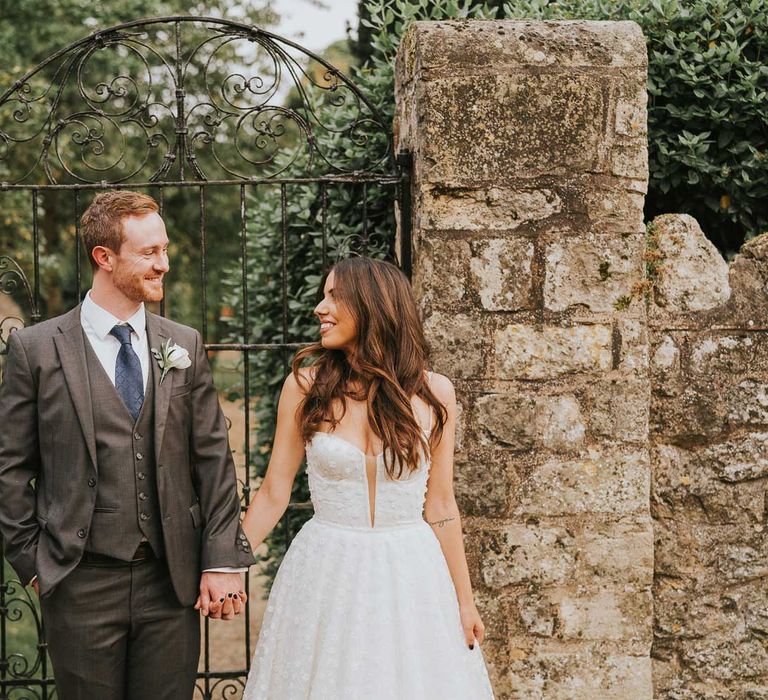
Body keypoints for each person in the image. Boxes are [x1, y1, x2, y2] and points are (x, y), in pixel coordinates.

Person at [0, 191, 256, 699]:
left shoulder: (183, 343)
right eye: (149, 253)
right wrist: (34, 564)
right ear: (105, 257)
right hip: (79, 582)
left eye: (163, 250)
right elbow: (9, 468)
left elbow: (214, 462)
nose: (163, 263)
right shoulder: (36, 349)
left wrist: (220, 561)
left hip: (169, 581)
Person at [242, 255, 495, 698]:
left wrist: (465, 600)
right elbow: (272, 493)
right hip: (326, 571)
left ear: (374, 305)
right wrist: (226, 565)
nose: (320, 308)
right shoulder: (305, 387)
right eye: (323, 296)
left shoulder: (436, 394)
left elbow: (441, 505)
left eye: (334, 296)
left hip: (411, 573)